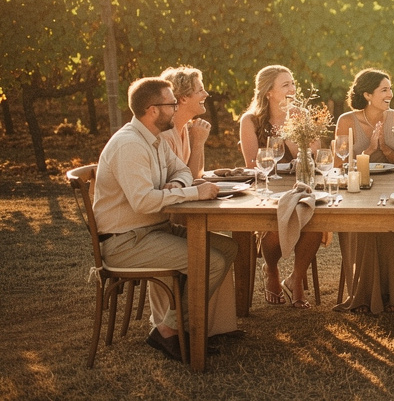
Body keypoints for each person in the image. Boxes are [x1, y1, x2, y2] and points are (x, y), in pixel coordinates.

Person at [92, 77, 237, 362]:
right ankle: (170, 331)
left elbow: (182, 170)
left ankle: (180, 327)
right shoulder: (129, 145)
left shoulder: (154, 139)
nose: (175, 108)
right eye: (171, 104)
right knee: (213, 261)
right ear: (152, 109)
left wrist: (179, 186)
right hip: (126, 241)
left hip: (153, 229)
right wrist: (194, 193)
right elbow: (143, 201)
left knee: (229, 249)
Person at [159, 66, 240, 338]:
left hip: (181, 211)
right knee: (211, 250)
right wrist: (199, 142)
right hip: (169, 218)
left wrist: (197, 143)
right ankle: (185, 329)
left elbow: (196, 176)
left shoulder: (182, 129)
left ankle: (217, 326)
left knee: (225, 246)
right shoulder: (168, 135)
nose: (206, 94)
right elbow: (190, 177)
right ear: (181, 98)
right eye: (199, 90)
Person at [239, 65, 322, 309]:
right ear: (269, 92)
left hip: (301, 183)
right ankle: (271, 269)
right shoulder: (250, 120)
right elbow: (253, 162)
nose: (293, 89)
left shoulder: (301, 116)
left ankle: (296, 278)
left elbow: (312, 154)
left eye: (293, 83)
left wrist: (290, 133)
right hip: (267, 187)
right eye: (286, 85)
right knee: (275, 225)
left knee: (314, 219)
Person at [333, 68, 394, 314]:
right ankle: (363, 294)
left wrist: (384, 149)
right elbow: (339, 165)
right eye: (384, 90)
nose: (390, 94)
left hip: (391, 186)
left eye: (390, 88)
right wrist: (368, 150)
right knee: (363, 228)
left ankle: (391, 295)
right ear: (368, 95)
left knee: (388, 227)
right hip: (355, 187)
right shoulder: (346, 120)